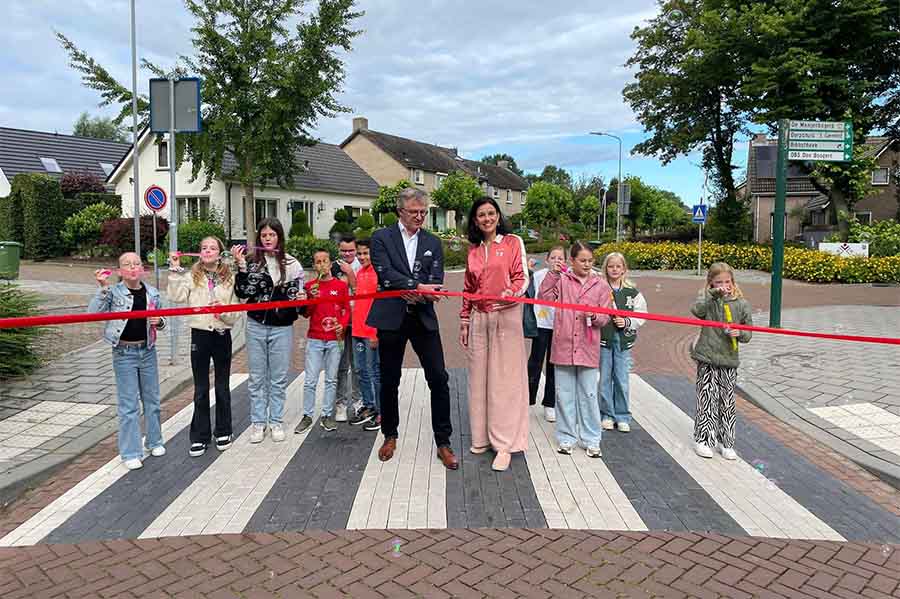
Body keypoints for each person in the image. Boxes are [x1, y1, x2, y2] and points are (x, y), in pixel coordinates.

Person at [367, 188, 458, 470]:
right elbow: (384, 273)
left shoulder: (432, 241)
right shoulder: (381, 238)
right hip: (390, 318)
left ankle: (443, 441)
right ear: (400, 212)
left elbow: (436, 278)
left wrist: (419, 291)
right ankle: (390, 435)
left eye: (423, 212)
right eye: (414, 212)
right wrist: (415, 286)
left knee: (439, 378)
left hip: (423, 318)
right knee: (389, 379)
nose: (420, 217)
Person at [459, 196, 529, 472]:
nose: (487, 218)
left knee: (504, 381)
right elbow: (467, 287)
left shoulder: (513, 242)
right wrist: (464, 319)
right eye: (481, 215)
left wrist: (511, 295)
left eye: (491, 213)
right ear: (475, 221)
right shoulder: (473, 251)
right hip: (479, 318)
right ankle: (482, 437)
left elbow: (522, 277)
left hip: (506, 316)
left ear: (498, 216)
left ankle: (505, 445)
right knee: (478, 380)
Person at [88, 253, 166, 470]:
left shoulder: (152, 292)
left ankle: (154, 441)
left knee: (152, 400)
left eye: (136, 264)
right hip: (124, 353)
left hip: (147, 350)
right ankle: (131, 451)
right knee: (129, 404)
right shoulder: (113, 293)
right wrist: (103, 287)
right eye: (127, 264)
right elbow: (93, 313)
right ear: (120, 271)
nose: (132, 267)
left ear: (142, 268)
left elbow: (163, 320)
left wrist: (159, 322)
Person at [233, 218, 305, 444]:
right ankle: (258, 422)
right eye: (264, 235)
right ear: (259, 238)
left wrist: (300, 297)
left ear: (279, 237)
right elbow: (243, 293)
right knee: (256, 377)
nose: (267, 239)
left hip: (281, 328)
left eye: (272, 235)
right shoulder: (251, 262)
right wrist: (241, 267)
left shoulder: (292, 264)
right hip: (255, 325)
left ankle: (275, 421)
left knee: (278, 377)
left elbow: (298, 300)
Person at [167, 237, 240, 457]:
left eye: (212, 248)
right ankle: (199, 436)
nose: (207, 251)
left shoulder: (229, 278)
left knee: (222, 386)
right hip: (199, 334)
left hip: (221, 333)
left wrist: (222, 311)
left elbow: (236, 312)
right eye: (203, 248)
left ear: (219, 253)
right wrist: (173, 270)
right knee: (200, 388)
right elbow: (176, 297)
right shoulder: (191, 276)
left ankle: (223, 430)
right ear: (199, 253)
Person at [538, 241, 611, 458]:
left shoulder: (601, 285)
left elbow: (605, 316)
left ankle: (591, 439)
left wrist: (594, 316)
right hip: (563, 345)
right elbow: (545, 297)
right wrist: (552, 273)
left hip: (588, 347)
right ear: (573, 261)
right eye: (582, 260)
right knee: (564, 394)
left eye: (590, 260)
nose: (587, 264)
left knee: (588, 394)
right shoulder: (561, 280)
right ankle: (566, 437)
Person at [690, 262, 753, 460]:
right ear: (710, 284)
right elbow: (697, 310)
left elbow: (748, 332)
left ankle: (726, 442)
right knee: (707, 398)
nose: (724, 286)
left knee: (727, 402)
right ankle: (703, 439)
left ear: (733, 282)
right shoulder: (708, 300)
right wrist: (713, 295)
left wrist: (739, 331)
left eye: (727, 282)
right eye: (718, 282)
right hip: (707, 357)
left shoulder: (742, 304)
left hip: (729, 359)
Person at [293, 249, 350, 434]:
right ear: (315, 265)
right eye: (318, 262)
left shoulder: (340, 286)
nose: (322, 265)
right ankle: (307, 415)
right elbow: (307, 313)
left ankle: (327, 415)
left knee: (331, 379)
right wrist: (312, 299)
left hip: (334, 339)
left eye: (325, 261)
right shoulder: (310, 286)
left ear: (330, 263)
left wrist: (342, 325)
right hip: (315, 338)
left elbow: (346, 309)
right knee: (310, 380)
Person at [598, 252, 647, 434]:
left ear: (624, 269)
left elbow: (641, 314)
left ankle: (622, 415)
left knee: (621, 378)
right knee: (604, 378)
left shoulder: (632, 292)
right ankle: (607, 414)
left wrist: (627, 321)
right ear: (606, 268)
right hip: (604, 340)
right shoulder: (600, 288)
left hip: (623, 342)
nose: (614, 269)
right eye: (611, 266)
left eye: (618, 266)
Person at [526, 246, 566, 422]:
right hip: (541, 323)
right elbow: (527, 285)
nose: (557, 260)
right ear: (548, 259)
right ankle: (527, 400)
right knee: (535, 362)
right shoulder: (540, 275)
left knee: (554, 365)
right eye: (554, 257)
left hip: (560, 325)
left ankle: (549, 404)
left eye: (561, 258)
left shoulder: (567, 277)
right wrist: (527, 268)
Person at [348, 238, 381, 431]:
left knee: (375, 372)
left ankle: (380, 410)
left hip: (371, 331)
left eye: (365, 253)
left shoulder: (378, 274)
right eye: (359, 254)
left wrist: (376, 332)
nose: (362, 257)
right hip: (357, 330)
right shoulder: (360, 273)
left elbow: (379, 305)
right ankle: (369, 405)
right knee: (361, 370)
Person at [331, 235, 361, 422]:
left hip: (357, 321)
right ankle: (340, 403)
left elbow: (360, 292)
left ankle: (358, 402)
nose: (347, 254)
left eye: (351, 250)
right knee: (340, 365)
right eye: (344, 250)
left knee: (358, 365)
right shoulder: (334, 267)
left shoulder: (363, 265)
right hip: (339, 323)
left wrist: (350, 275)